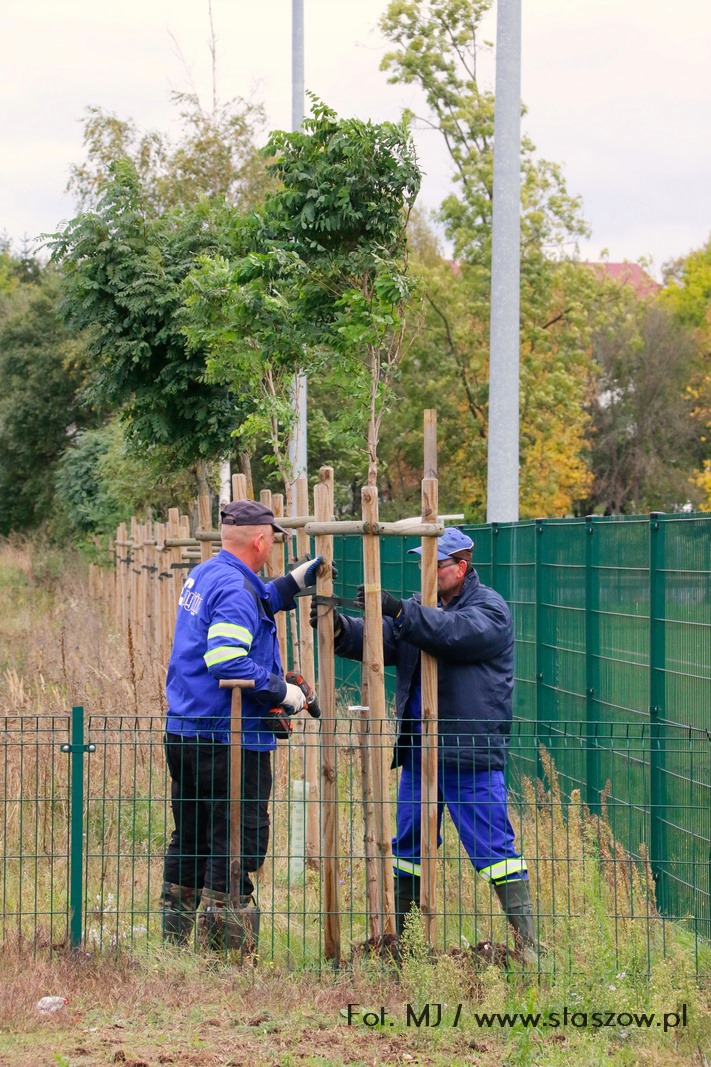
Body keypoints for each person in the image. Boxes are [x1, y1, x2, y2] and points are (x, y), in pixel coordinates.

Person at [312, 527, 536, 954]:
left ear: (461, 567)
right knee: (409, 849)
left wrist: (402, 612)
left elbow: (451, 634)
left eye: (434, 564)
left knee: (495, 851)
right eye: (422, 563)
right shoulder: (419, 609)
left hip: (468, 758)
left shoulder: (490, 610)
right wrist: (342, 629)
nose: (424, 572)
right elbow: (385, 639)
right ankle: (410, 946)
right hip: (419, 756)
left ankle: (529, 946)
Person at [161, 499, 325, 947]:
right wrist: (282, 692)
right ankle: (224, 953)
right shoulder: (234, 589)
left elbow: (251, 601)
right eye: (272, 539)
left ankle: (174, 945)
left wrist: (289, 585)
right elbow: (226, 657)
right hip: (229, 738)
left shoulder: (209, 573)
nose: (272, 546)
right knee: (236, 840)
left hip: (186, 730)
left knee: (191, 836)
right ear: (259, 539)